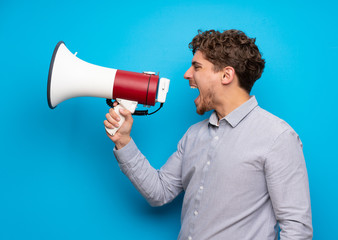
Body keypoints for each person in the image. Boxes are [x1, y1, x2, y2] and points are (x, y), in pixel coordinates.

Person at [104, 29, 313, 240]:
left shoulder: (278, 137)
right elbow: (160, 192)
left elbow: (297, 230)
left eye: (197, 67)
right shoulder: (194, 135)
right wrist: (123, 141)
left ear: (226, 75)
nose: (187, 74)